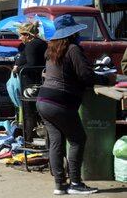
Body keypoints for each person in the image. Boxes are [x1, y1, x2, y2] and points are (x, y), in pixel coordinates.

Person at [36, 14, 116, 195]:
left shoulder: (50, 50)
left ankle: (60, 185)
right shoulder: (73, 49)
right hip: (60, 102)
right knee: (77, 139)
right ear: (72, 34)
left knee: (56, 143)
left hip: (43, 101)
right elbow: (86, 76)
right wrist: (106, 78)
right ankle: (76, 183)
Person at [13, 22, 48, 142]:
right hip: (40, 82)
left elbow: (32, 64)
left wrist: (18, 68)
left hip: (30, 83)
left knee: (29, 112)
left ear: (28, 35)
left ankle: (28, 140)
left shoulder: (31, 45)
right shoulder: (42, 43)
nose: (20, 38)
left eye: (21, 35)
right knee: (38, 112)